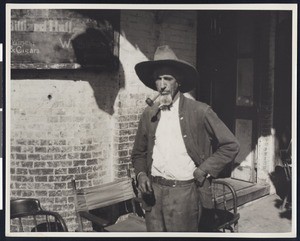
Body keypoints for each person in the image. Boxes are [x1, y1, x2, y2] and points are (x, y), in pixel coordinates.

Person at [131, 45, 240, 232]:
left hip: (184, 194)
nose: (162, 84)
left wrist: (204, 170)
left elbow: (230, 145)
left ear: (178, 82)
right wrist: (141, 175)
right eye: (158, 78)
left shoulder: (200, 111)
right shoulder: (149, 114)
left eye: (168, 78)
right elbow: (138, 153)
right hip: (153, 195)